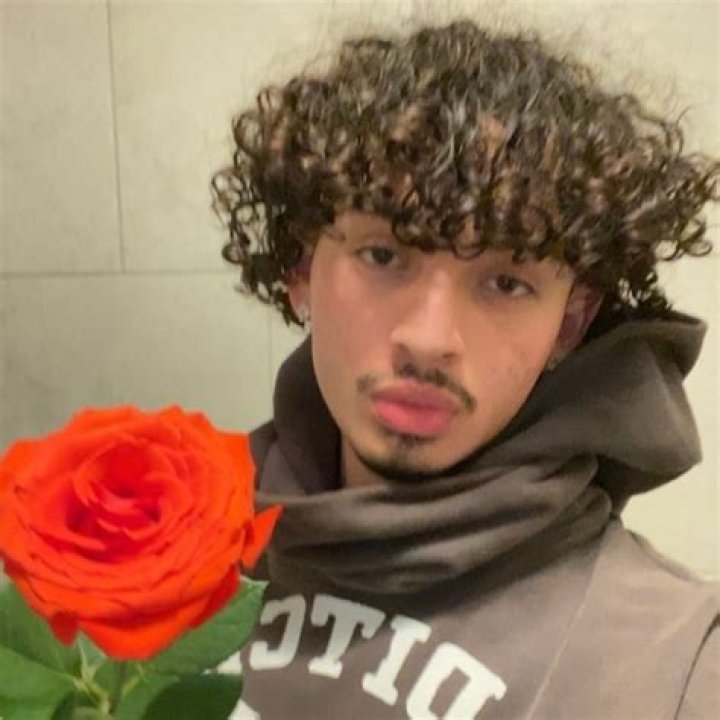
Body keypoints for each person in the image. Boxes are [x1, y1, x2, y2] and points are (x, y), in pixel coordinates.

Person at [211, 20, 718, 719]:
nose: (429, 341)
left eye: (506, 282)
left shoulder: (676, 668)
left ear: (570, 322)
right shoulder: (149, 562)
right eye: (383, 256)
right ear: (300, 268)